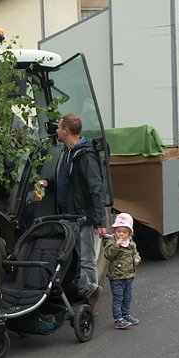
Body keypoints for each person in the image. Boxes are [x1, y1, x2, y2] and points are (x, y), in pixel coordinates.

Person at [54, 114, 107, 307]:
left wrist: (100, 221)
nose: (56, 130)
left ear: (67, 130)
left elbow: (95, 187)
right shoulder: (68, 152)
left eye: (59, 127)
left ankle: (91, 294)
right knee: (70, 255)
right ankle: (80, 289)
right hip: (68, 214)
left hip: (82, 216)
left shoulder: (85, 155)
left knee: (86, 258)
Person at [103, 212, 141, 329]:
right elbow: (108, 255)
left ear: (130, 233)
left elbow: (135, 253)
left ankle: (126, 315)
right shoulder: (111, 242)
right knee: (118, 298)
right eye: (118, 231)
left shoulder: (131, 243)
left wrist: (137, 258)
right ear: (114, 231)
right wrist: (116, 245)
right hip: (116, 277)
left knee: (127, 297)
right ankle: (118, 319)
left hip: (129, 275)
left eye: (124, 232)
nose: (121, 234)